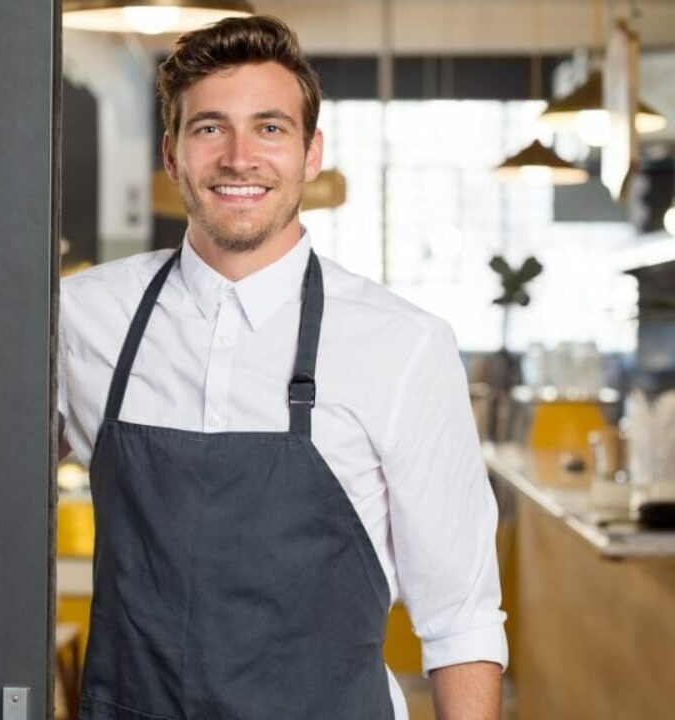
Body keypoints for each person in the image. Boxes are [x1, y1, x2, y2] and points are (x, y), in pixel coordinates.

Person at [58, 15, 506, 720]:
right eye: (209, 128)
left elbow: (461, 618)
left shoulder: (403, 346)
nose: (240, 158)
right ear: (173, 155)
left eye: (270, 128)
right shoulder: (78, 319)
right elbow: (4, 510)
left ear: (310, 153)